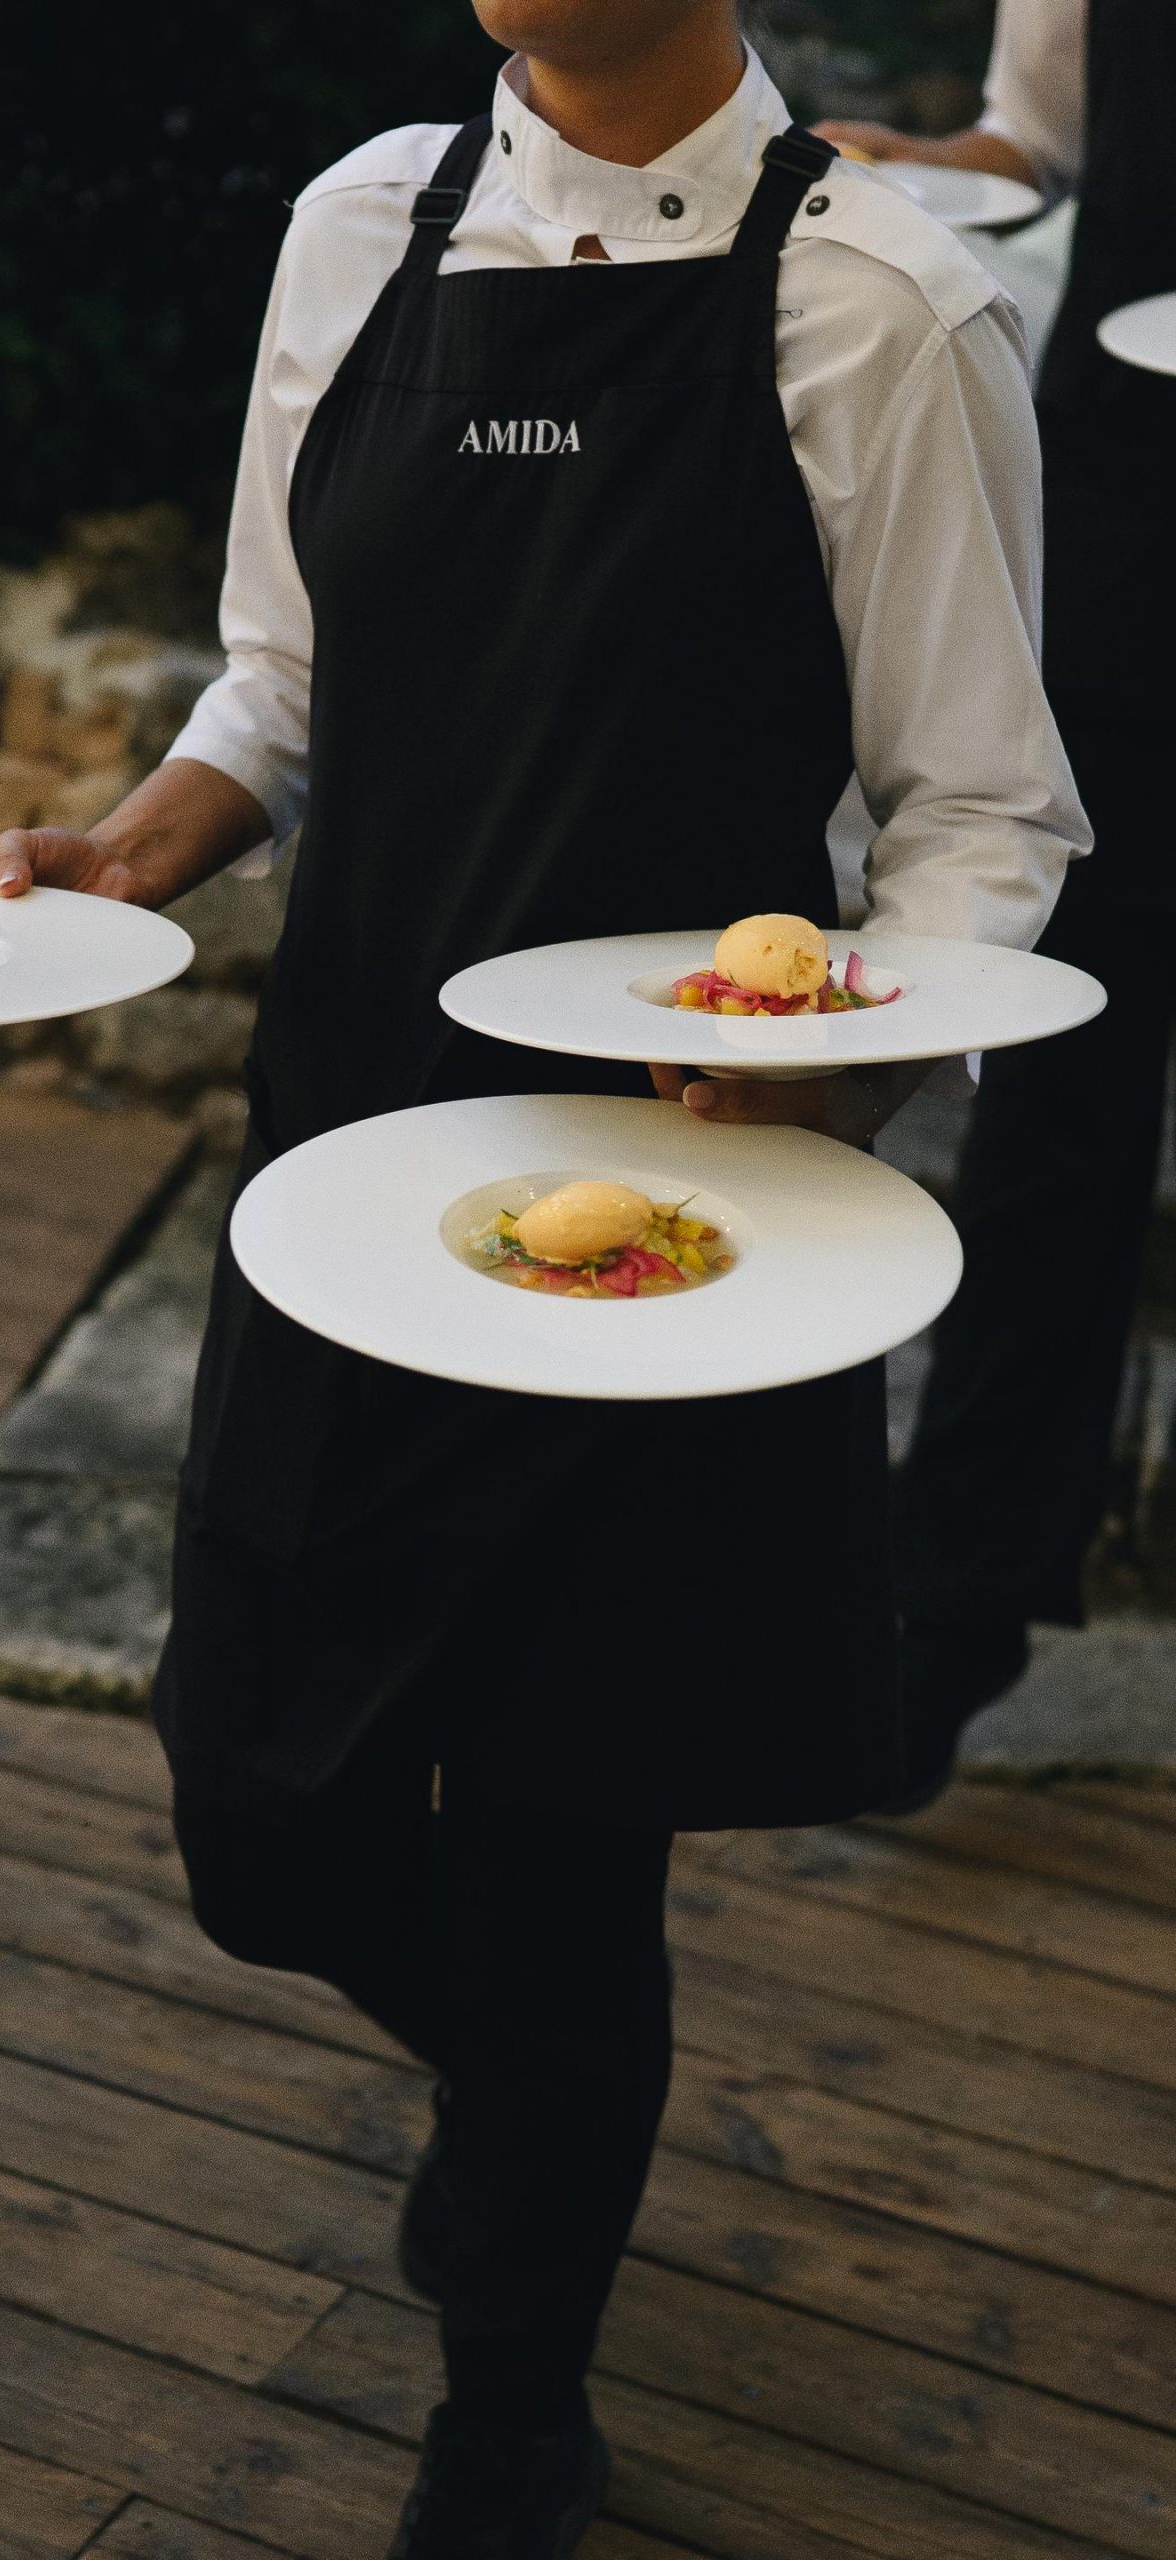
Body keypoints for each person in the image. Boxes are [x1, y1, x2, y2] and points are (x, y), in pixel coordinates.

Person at [0, 3, 1087, 2548]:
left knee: (571, 1826)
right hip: (352, 1168)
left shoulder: (874, 302)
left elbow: (974, 819)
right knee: (260, 1816)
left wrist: (823, 1080)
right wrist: (138, 843)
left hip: (679, 1220)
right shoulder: (356, 226)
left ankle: (516, 2391)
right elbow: (276, 679)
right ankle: (530, 2116)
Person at [823, 0, 1176, 1802]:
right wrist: (906, 167)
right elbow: (1041, 152)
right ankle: (947, 1608)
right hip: (1134, 502)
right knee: (1066, 1073)